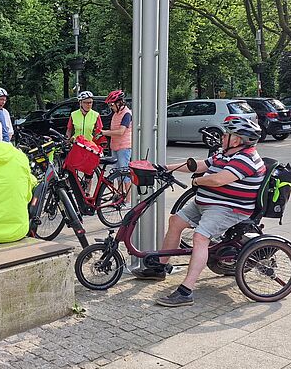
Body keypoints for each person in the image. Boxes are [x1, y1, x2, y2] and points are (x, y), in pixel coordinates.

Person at [147, 117, 266, 307]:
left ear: (236, 140)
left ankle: (186, 292)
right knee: (175, 221)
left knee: (200, 237)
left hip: (229, 209)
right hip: (208, 204)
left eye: (227, 134)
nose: (223, 136)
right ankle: (160, 267)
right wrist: (166, 168)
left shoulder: (247, 158)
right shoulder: (225, 153)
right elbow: (202, 165)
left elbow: (219, 180)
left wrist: (197, 181)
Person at [101, 90, 133, 188]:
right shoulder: (116, 113)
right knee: (117, 174)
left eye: (112, 105)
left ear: (119, 103)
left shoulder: (127, 114)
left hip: (124, 147)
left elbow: (121, 131)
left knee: (125, 174)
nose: (111, 107)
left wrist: (105, 132)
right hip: (115, 146)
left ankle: (127, 200)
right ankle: (120, 195)